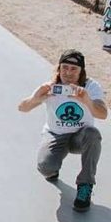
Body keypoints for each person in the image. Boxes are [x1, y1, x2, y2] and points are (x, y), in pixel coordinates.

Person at [18, 49, 107, 211]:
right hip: (55, 135)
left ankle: (85, 186)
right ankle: (52, 170)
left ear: (82, 71)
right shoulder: (50, 87)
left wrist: (87, 100)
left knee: (93, 134)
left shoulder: (90, 87)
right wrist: (36, 98)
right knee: (45, 167)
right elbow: (22, 108)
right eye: (64, 67)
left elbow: (103, 114)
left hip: (80, 136)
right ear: (58, 69)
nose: (68, 72)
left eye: (74, 69)